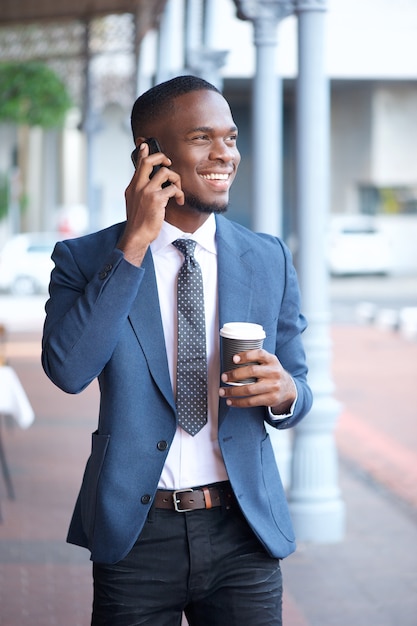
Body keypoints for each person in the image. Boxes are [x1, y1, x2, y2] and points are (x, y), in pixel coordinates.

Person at [42, 75, 313, 626]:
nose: (225, 154)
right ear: (150, 157)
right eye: (202, 138)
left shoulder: (267, 258)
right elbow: (68, 370)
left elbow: (299, 386)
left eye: (231, 138)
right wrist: (135, 244)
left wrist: (286, 394)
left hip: (244, 530)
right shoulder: (84, 258)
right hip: (138, 534)